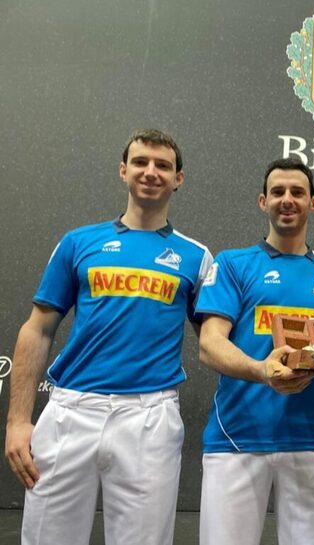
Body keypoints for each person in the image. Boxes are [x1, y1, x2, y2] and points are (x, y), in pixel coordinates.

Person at [4, 129, 213, 545]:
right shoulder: (78, 242)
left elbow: (214, 342)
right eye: (140, 162)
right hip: (70, 412)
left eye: (163, 165)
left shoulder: (197, 257)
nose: (150, 172)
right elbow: (38, 328)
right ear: (123, 170)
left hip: (150, 418)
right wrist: (17, 421)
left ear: (178, 179)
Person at [196, 157, 314, 545]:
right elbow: (210, 344)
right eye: (277, 191)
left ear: (313, 203)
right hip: (236, 441)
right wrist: (261, 370)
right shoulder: (232, 264)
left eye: (297, 192)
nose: (287, 199)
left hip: (311, 442)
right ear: (262, 201)